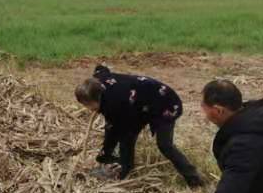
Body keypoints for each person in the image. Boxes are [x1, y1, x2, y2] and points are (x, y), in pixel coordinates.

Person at [75, 65, 204, 186]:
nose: (88, 109)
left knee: (164, 145)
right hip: (141, 106)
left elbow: (112, 132)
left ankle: (194, 179)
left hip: (165, 105)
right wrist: (104, 154)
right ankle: (123, 168)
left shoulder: (113, 104)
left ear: (97, 98)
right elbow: (101, 68)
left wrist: (104, 155)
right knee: (127, 135)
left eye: (88, 105)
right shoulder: (98, 80)